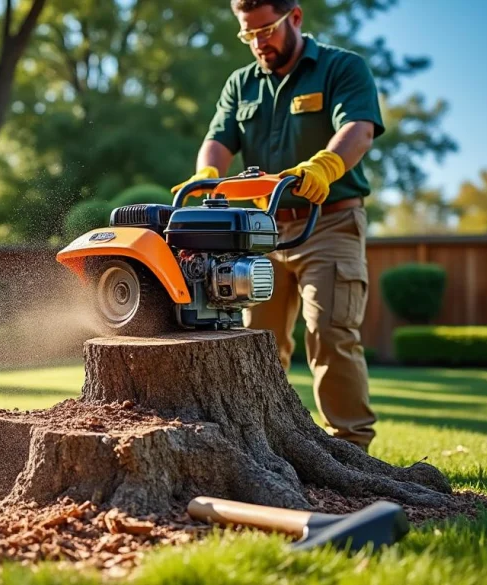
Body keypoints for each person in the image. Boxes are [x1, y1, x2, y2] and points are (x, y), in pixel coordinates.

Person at [171, 0, 384, 451]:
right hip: (258, 231)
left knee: (330, 332)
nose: (258, 42)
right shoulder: (241, 84)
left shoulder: (341, 67)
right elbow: (218, 139)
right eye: (247, 34)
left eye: (266, 30)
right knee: (255, 341)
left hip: (328, 222)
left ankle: (349, 447)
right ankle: (261, 444)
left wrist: (325, 166)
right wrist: (207, 175)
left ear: (296, 17)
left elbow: (359, 130)